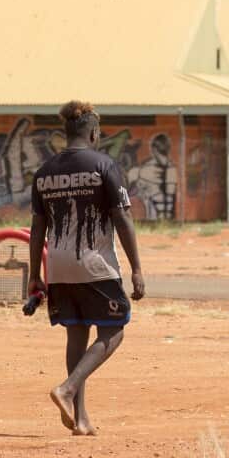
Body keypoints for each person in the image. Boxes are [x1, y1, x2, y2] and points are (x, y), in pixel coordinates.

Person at [29, 101, 144, 435]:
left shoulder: (45, 172)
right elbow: (122, 218)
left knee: (76, 332)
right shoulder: (104, 165)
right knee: (114, 329)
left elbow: (37, 229)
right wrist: (137, 268)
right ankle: (67, 389)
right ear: (94, 132)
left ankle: (80, 419)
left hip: (59, 267)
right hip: (95, 266)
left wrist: (35, 273)